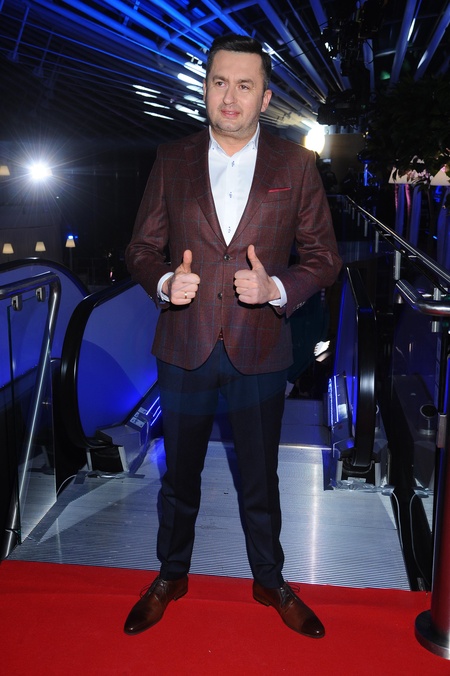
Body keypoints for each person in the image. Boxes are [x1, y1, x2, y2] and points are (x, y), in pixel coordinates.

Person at [124, 33, 342, 639]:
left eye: (245, 85)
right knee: (178, 479)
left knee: (260, 480)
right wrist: (165, 281)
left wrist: (276, 288)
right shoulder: (171, 159)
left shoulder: (295, 165)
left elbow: (324, 259)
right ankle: (171, 575)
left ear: (264, 98)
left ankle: (270, 580)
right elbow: (140, 249)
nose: (230, 96)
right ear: (206, 88)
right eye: (220, 82)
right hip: (184, 346)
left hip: (260, 348)